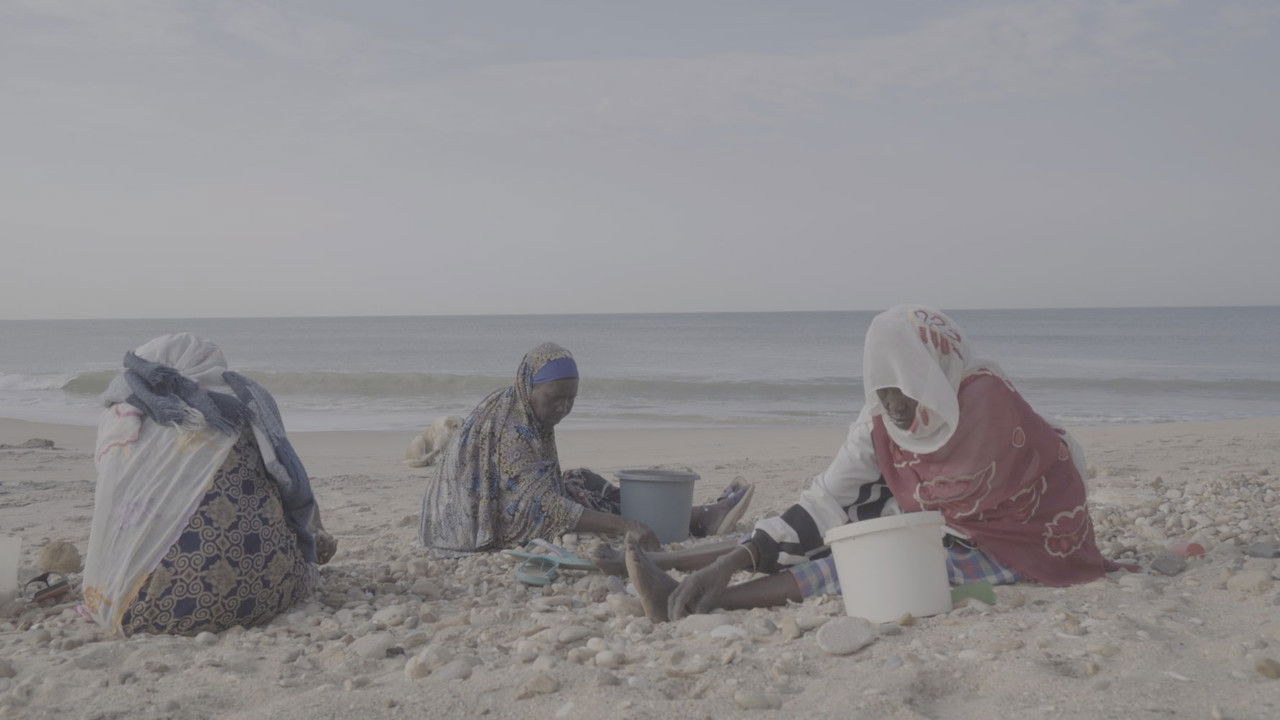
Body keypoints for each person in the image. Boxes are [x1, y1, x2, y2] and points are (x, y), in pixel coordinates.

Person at [621, 306, 1112, 621]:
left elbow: (988, 501)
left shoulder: (986, 403)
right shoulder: (880, 415)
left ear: (934, 374)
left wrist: (880, 531)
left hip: (1018, 540)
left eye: (905, 390)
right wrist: (731, 562)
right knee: (835, 525)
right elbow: (826, 500)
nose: (893, 407)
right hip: (938, 518)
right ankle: (677, 565)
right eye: (883, 390)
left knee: (866, 562)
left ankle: (700, 602)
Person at [82, 333, 335, 637]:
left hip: (137, 611)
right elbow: (288, 480)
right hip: (258, 597)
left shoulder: (124, 415)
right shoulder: (240, 405)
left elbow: (112, 501)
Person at [417, 342, 753, 555]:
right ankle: (693, 518)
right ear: (529, 386)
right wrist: (626, 526)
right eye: (555, 398)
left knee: (581, 480)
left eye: (571, 399)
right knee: (572, 501)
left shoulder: (522, 407)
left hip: (497, 505)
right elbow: (543, 506)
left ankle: (684, 516)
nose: (563, 407)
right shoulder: (513, 428)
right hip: (466, 528)